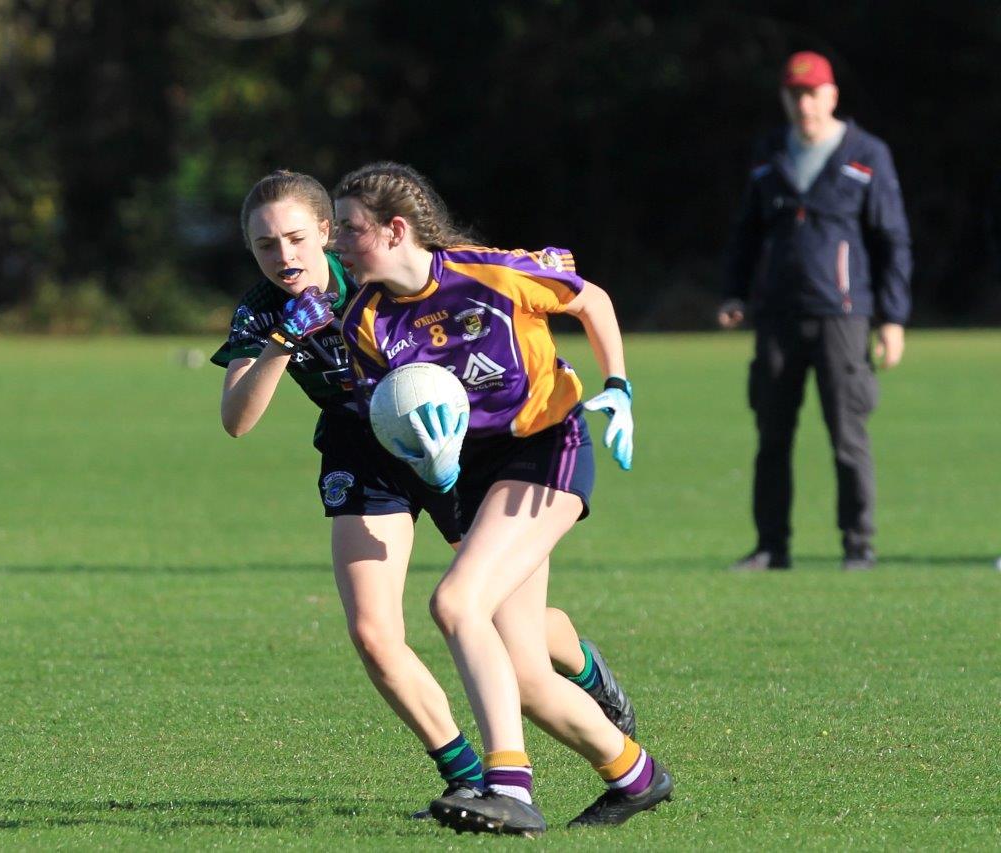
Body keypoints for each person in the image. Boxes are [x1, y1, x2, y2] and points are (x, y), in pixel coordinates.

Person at [213, 170, 637, 819]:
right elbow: (237, 419)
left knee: (503, 616)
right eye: (265, 245)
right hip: (365, 453)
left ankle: (581, 665)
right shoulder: (265, 309)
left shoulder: (373, 262)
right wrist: (281, 342)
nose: (284, 256)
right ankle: (469, 776)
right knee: (374, 631)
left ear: (327, 231)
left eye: (296, 237)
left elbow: (478, 294)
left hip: (454, 437)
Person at [334, 162, 673, 835]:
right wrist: (433, 470)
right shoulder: (364, 323)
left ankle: (509, 786)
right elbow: (397, 422)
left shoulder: (490, 273)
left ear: (397, 229)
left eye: (350, 229)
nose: (336, 243)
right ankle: (636, 774)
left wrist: (620, 385)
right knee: (520, 667)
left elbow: (590, 300)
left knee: (456, 603)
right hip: (479, 467)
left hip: (548, 444)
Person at [719, 51, 912, 572]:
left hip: (843, 317)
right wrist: (734, 293)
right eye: (795, 94)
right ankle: (771, 546)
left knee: (848, 436)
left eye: (813, 93)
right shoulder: (769, 155)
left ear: (832, 96)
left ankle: (858, 546)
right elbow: (746, 233)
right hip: (777, 316)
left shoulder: (867, 154)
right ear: (786, 98)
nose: (804, 103)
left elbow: (892, 239)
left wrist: (891, 318)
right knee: (772, 436)